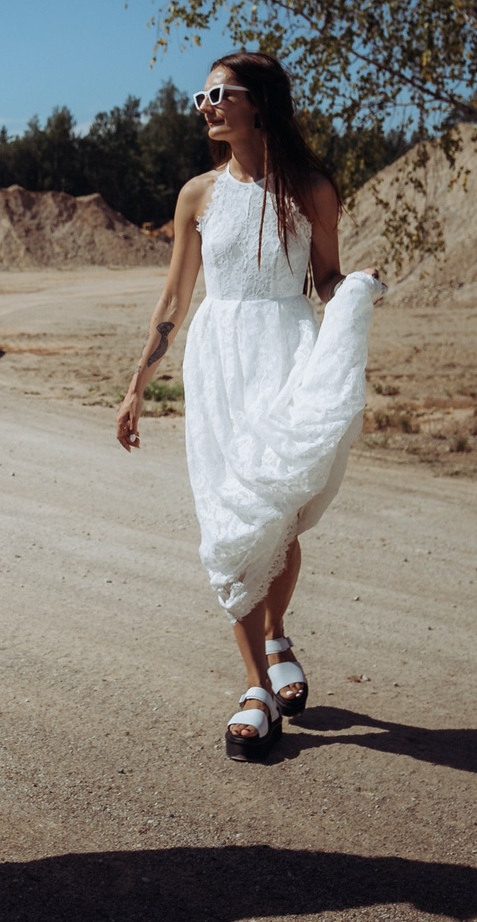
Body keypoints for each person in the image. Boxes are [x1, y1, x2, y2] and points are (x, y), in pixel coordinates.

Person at [114, 51, 383, 762]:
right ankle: (257, 687)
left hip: (286, 354)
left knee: (279, 517)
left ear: (258, 102)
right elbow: (174, 299)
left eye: (220, 94)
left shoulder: (311, 190)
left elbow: (326, 279)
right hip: (218, 365)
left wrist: (356, 293)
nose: (206, 106)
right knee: (231, 524)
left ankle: (275, 633)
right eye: (202, 97)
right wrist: (138, 386)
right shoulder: (197, 196)